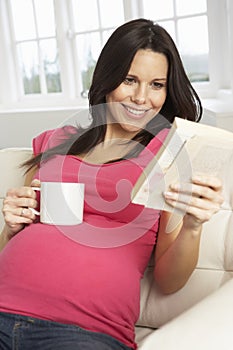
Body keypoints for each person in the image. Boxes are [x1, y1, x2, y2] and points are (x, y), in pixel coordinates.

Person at [0, 18, 223, 350]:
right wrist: (11, 225)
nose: (141, 98)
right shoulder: (55, 141)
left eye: (157, 84)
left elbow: (169, 281)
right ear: (108, 76)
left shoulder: (170, 155)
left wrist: (192, 225)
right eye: (130, 79)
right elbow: (14, 239)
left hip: (83, 332)